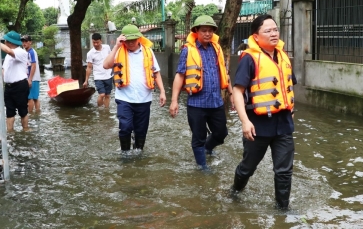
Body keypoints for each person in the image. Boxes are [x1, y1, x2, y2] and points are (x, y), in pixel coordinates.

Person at [231, 14, 296, 210]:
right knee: (248, 167)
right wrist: (244, 121)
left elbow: (290, 86)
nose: (273, 33)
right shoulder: (249, 59)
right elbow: (237, 90)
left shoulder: (283, 57)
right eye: (268, 31)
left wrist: (292, 109)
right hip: (257, 125)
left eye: (275, 29)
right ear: (256, 36)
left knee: (284, 171)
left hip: (283, 123)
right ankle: (234, 192)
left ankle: (283, 209)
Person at [169, 15, 234, 170]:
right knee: (198, 137)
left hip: (216, 102)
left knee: (221, 133)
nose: (207, 34)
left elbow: (225, 73)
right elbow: (180, 75)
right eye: (204, 30)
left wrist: (231, 96)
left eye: (210, 31)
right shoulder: (188, 51)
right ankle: (202, 167)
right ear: (196, 31)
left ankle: (208, 148)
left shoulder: (217, 49)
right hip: (196, 104)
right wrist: (174, 100)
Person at [103, 24, 166, 151]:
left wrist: (162, 92)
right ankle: (125, 153)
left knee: (141, 131)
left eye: (133, 39)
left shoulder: (148, 52)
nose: (131, 43)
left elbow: (156, 72)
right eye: (128, 40)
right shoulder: (119, 51)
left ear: (139, 38)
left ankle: (138, 152)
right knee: (125, 127)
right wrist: (116, 46)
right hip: (124, 98)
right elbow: (106, 65)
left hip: (144, 99)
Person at [1, 31, 30, 131]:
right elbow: (4, 70)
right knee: (9, 111)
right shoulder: (8, 56)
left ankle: (25, 130)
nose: (4, 41)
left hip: (20, 86)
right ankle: (10, 132)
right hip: (9, 87)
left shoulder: (21, 52)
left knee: (23, 110)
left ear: (9, 42)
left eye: (5, 40)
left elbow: (9, 51)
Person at [83, 33, 113, 108]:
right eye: (94, 42)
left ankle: (106, 111)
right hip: (98, 77)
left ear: (101, 41)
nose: (95, 44)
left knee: (107, 95)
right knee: (102, 94)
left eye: (97, 42)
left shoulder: (107, 47)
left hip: (108, 75)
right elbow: (89, 67)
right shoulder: (90, 53)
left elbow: (111, 58)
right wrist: (86, 80)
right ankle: (100, 110)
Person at [21, 34, 41, 112]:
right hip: (35, 78)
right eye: (23, 41)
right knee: (35, 98)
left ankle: (30, 115)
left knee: (30, 98)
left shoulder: (31, 52)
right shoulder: (29, 52)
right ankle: (37, 113)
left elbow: (33, 66)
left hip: (32, 78)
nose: (24, 43)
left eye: (26, 41)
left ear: (30, 42)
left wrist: (29, 79)